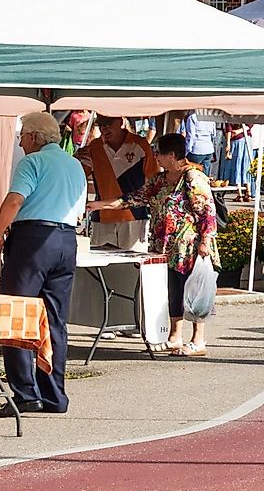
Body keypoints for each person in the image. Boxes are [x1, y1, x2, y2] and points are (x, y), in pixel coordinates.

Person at [0, 111, 87, 416]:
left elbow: (15, 200)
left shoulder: (32, 162)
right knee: (54, 320)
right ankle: (55, 394)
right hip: (66, 239)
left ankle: (25, 392)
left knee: (16, 313)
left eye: (21, 137)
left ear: (33, 137)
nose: (20, 142)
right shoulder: (74, 164)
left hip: (33, 239)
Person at [87, 133, 219, 357]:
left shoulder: (193, 177)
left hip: (190, 246)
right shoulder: (160, 180)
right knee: (173, 290)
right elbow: (133, 198)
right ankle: (175, 336)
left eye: (159, 153)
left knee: (194, 291)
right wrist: (99, 205)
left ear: (172, 155)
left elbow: (207, 212)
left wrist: (205, 242)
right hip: (166, 247)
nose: (155, 157)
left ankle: (198, 340)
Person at [80, 116, 159, 251]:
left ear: (121, 122)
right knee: (101, 266)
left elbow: (154, 179)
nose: (104, 128)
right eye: (101, 125)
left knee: (132, 266)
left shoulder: (140, 145)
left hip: (134, 216)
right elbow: (79, 173)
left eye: (108, 124)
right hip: (102, 216)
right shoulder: (94, 147)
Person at [179, 112, 218, 177]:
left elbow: (190, 137)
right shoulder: (211, 117)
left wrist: (185, 153)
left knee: (191, 174)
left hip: (196, 149)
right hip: (209, 149)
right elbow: (214, 135)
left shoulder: (192, 117)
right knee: (205, 175)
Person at [220, 123, 251, 199]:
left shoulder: (231, 114)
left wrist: (228, 144)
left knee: (236, 165)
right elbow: (250, 124)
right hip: (247, 140)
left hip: (236, 141)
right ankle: (248, 193)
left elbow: (229, 129)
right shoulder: (247, 112)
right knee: (245, 165)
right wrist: (241, 130)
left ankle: (239, 193)